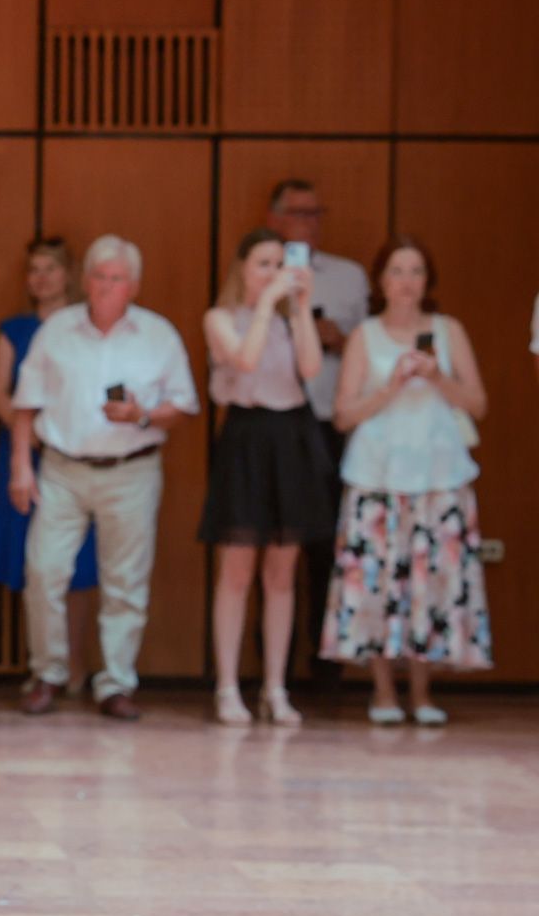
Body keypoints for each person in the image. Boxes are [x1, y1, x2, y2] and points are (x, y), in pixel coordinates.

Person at [10, 234, 200, 721]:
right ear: (86, 280)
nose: (106, 285)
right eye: (99, 275)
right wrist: (20, 466)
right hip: (62, 470)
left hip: (130, 471)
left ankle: (116, 683)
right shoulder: (57, 329)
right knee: (44, 571)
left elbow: (183, 406)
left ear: (133, 285)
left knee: (125, 582)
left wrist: (142, 415)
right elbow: (25, 402)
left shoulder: (158, 334)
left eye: (117, 278)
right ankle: (48, 673)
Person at [322, 237, 491, 724]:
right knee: (377, 581)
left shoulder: (448, 331)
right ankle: (382, 691)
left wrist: (437, 377)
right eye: (397, 271)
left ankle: (422, 691)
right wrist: (391, 386)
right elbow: (343, 415)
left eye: (416, 271)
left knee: (431, 583)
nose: (406, 282)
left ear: (427, 280)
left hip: (439, 475)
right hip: (378, 475)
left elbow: (478, 404)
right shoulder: (365, 335)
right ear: (381, 280)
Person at [198, 229, 336, 727]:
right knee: (236, 571)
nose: (274, 273)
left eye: (281, 263)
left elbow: (312, 367)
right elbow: (245, 359)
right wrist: (264, 305)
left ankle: (276, 687)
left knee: (281, 575)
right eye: (264, 263)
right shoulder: (220, 318)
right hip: (246, 438)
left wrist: (298, 309)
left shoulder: (289, 318)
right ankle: (228, 687)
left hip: (291, 437)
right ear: (242, 268)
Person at [0, 237, 98, 687]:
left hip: (78, 454)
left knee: (80, 565)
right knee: (34, 561)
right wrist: (33, 435)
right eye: (34, 270)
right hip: (25, 452)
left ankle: (78, 666)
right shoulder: (15, 329)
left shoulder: (87, 325)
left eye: (50, 268)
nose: (41, 278)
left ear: (69, 274)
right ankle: (43, 667)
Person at [264, 179, 369, 680]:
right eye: (298, 213)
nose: (308, 222)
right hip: (271, 423)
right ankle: (273, 666)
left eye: (315, 213)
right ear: (275, 219)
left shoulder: (349, 276)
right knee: (271, 543)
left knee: (326, 544)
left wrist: (339, 339)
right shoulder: (260, 271)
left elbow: (373, 352)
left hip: (329, 424)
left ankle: (325, 664)